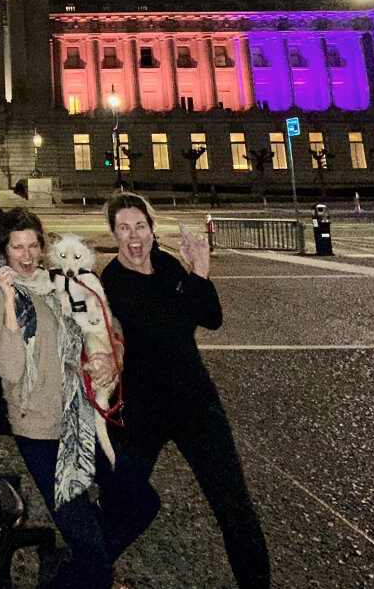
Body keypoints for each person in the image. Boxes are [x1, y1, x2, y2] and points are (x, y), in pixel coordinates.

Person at [97, 193, 271, 589]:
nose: (134, 236)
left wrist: (201, 272)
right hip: (144, 410)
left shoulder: (166, 264)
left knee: (234, 507)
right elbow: (166, 328)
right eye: (123, 228)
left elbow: (211, 318)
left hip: (195, 402)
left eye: (140, 226)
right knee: (121, 503)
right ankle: (83, 573)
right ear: (113, 234)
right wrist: (192, 283)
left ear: (152, 228)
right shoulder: (113, 280)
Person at [0, 208, 160, 589]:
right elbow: (11, 368)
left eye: (33, 246)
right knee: (94, 556)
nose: (26, 256)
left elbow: (107, 323)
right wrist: (12, 304)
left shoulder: (60, 282)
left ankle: (71, 570)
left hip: (81, 417)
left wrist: (110, 355)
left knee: (142, 504)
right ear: (4, 250)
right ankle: (84, 569)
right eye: (17, 248)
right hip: (41, 430)